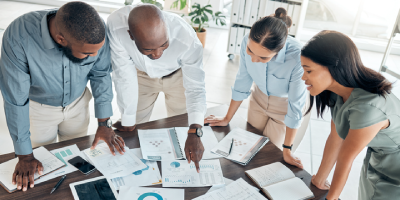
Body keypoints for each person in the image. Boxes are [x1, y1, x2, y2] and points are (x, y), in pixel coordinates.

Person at [0, 2, 125, 192]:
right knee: (43, 164)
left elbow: (100, 74)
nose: (95, 55)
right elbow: (15, 99)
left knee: (78, 158)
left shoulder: (95, 30)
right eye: (87, 53)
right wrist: (24, 156)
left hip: (78, 105)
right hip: (38, 109)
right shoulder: (18, 36)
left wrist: (104, 124)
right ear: (61, 39)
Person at [301, 30, 400, 200]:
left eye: (308, 71)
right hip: (378, 158)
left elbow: (346, 158)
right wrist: (319, 179)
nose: (303, 77)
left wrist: (330, 198)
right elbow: (336, 138)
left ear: (334, 67)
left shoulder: (368, 107)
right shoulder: (336, 92)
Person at [107, 4, 207, 171]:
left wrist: (195, 131)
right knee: (131, 125)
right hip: (140, 73)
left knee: (183, 126)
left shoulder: (186, 38)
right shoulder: (116, 26)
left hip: (177, 75)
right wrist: (129, 117)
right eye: (148, 49)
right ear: (130, 35)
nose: (157, 54)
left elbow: (195, 88)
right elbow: (123, 74)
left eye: (164, 45)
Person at [204, 8, 307, 169]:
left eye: (263, 57)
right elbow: (242, 80)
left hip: (284, 108)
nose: (253, 58)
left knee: (267, 156)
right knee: (246, 149)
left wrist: (287, 150)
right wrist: (227, 118)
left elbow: (295, 105)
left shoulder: (297, 56)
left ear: (279, 50)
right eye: (250, 51)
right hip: (258, 99)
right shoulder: (248, 40)